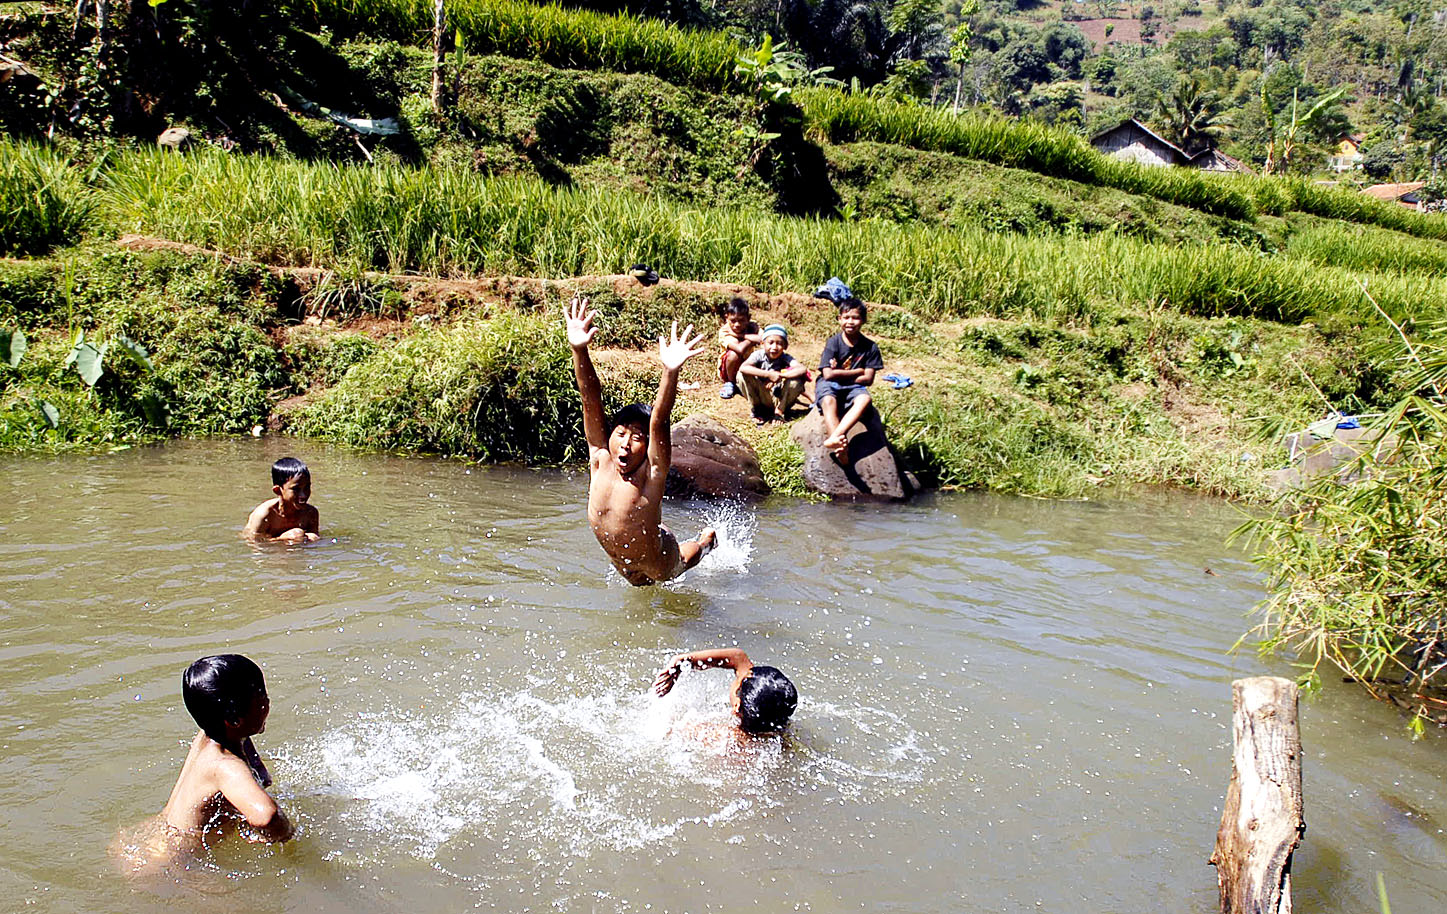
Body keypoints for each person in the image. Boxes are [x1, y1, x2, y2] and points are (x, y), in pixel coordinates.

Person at [566, 296, 717, 586]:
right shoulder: (600, 457)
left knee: (685, 560)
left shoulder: (651, 473)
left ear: (647, 447)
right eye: (621, 434)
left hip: (660, 561)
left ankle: (707, 542)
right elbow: (590, 398)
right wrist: (579, 349)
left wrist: (670, 372)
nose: (624, 444)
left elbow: (659, 420)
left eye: (637, 439)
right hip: (625, 566)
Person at [117, 655, 294, 873]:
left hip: (147, 841)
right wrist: (290, 838)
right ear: (235, 720)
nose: (268, 702)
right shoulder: (225, 766)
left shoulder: (211, 735)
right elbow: (267, 817)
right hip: (168, 864)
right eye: (262, 697)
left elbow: (261, 779)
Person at [652, 648, 797, 735]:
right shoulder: (776, 707)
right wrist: (681, 660)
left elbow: (673, 731)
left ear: (737, 707)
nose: (740, 674)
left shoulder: (728, 739)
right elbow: (738, 657)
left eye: (739, 680)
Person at [816, 297, 884, 463]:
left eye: (855, 318)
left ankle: (837, 436)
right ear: (839, 319)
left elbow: (868, 379)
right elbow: (828, 375)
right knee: (828, 401)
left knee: (865, 399)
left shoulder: (870, 347)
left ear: (863, 320)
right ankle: (842, 449)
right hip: (830, 385)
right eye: (846, 317)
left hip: (854, 387)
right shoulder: (833, 342)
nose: (850, 322)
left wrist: (839, 372)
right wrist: (858, 371)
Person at [737, 324, 807, 424]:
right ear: (762, 343)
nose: (774, 347)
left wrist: (780, 375)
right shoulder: (758, 355)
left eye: (779, 343)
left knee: (797, 381)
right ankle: (757, 409)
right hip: (761, 396)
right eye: (770, 343)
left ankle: (779, 412)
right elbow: (743, 367)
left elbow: (802, 369)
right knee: (741, 375)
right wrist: (768, 375)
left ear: (785, 346)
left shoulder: (785, 357)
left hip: (778, 399)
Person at [243, 456, 320, 544]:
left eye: (307, 487)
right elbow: (253, 542)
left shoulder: (310, 513)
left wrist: (311, 537)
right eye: (296, 489)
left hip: (292, 547)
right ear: (278, 490)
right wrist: (282, 539)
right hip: (274, 550)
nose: (303, 495)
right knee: (297, 534)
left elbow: (315, 537)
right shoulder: (264, 515)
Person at [716, 297, 762, 399]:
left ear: (748, 318)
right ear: (726, 317)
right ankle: (731, 383)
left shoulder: (752, 326)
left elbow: (764, 339)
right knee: (733, 355)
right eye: (733, 321)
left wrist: (742, 336)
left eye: (741, 320)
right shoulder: (725, 331)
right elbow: (740, 349)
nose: (737, 325)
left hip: (748, 364)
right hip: (729, 370)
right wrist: (751, 340)